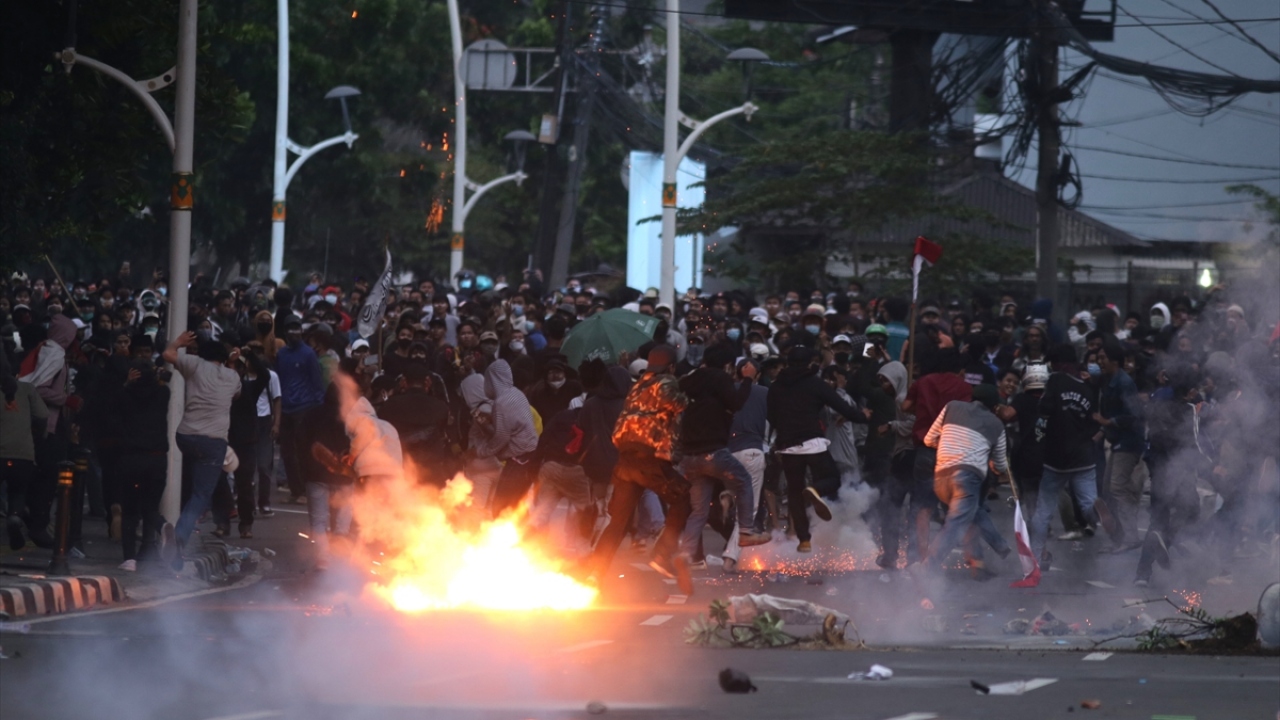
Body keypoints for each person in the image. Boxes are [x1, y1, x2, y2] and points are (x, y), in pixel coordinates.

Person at [588, 345, 694, 594]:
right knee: (683, 498)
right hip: (649, 459)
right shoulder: (665, 382)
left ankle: (594, 572)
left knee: (618, 522)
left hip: (625, 460)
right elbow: (680, 405)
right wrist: (690, 386)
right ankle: (662, 553)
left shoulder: (637, 386)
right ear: (670, 367)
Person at [767, 345, 870, 553]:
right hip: (813, 444)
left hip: (787, 448)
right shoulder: (816, 384)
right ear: (810, 363)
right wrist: (863, 416)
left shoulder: (776, 386)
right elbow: (841, 406)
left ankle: (804, 540)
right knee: (832, 479)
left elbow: (771, 416)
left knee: (794, 493)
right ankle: (816, 490)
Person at [676, 343, 771, 567]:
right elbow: (737, 403)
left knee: (698, 511)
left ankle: (685, 554)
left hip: (689, 456)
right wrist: (747, 379)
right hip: (713, 452)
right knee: (745, 481)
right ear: (728, 365)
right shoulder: (720, 378)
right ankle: (746, 531)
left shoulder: (689, 382)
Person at [912, 384, 1012, 579]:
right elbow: (1000, 465)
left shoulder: (952, 407)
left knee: (973, 513)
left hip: (941, 476)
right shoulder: (996, 425)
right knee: (956, 524)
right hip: (967, 478)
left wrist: (952, 446)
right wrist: (988, 460)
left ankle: (990, 554)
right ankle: (927, 568)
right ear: (994, 406)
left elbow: (929, 439)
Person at [163, 331, 241, 570]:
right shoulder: (233, 376)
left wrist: (180, 343)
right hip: (213, 442)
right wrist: (232, 364)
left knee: (190, 484)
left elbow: (168, 354)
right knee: (200, 495)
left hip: (185, 436)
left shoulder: (194, 364)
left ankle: (175, 558)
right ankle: (180, 536)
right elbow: (236, 394)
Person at [1029, 343, 1102, 568]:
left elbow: (1044, 412)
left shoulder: (1055, 381)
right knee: (1088, 501)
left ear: (1059, 363)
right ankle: (1096, 512)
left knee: (1044, 510)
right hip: (1083, 456)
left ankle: (1037, 556)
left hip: (1056, 458)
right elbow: (1093, 421)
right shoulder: (1087, 388)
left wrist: (1038, 436)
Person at [902, 348, 972, 562]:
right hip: (952, 453)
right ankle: (941, 554)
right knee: (955, 507)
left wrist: (921, 410)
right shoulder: (964, 387)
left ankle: (919, 555)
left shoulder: (923, 382)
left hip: (926, 450)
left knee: (923, 506)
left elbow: (905, 407)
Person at [114, 359, 169, 569]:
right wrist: (159, 376)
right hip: (156, 458)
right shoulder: (163, 394)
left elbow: (114, 404)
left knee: (129, 510)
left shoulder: (125, 395)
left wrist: (127, 383)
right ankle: (162, 526)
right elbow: (164, 384)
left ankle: (129, 559)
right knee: (150, 505)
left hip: (131, 459)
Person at [1094, 341, 1146, 553]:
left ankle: (1131, 536)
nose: (1099, 362)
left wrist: (1108, 423)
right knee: (1108, 489)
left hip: (1129, 442)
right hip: (1118, 441)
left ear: (1115, 360)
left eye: (1103, 358)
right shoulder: (1109, 381)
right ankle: (1119, 537)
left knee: (1117, 487)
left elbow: (1133, 415)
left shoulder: (1124, 383)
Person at [722, 357, 770, 573]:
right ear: (757, 375)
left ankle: (727, 497)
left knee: (735, 490)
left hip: (728, 454)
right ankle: (730, 557)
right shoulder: (765, 393)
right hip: (752, 451)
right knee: (748, 509)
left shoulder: (729, 391)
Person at [476, 360, 540, 516]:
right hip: (530, 456)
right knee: (517, 504)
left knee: (503, 506)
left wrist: (481, 451)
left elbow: (502, 437)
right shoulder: (516, 393)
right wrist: (489, 422)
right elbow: (511, 426)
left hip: (520, 460)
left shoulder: (502, 402)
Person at [275, 316, 326, 504]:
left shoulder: (308, 354)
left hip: (304, 408)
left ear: (301, 331)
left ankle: (305, 490)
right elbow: (278, 380)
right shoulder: (282, 355)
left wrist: (319, 409)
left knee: (302, 451)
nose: (293, 332)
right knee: (287, 452)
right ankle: (296, 491)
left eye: (296, 328)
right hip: (286, 408)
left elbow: (317, 382)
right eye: (289, 329)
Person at [378, 363, 453, 485]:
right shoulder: (440, 407)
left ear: (404, 382)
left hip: (400, 470)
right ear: (427, 382)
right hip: (432, 472)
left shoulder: (389, 406)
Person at [2, 363, 49, 550]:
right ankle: (14, 516)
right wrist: (37, 435)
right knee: (18, 490)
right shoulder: (27, 389)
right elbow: (43, 414)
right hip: (23, 452)